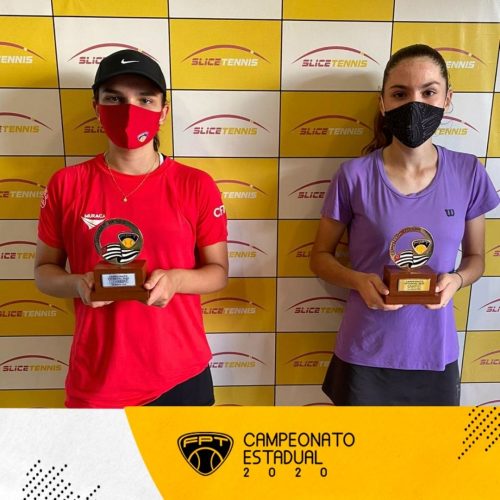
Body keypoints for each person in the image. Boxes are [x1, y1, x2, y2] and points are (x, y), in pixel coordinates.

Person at [35, 50, 228, 408]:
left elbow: (218, 272)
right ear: (96, 107)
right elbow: (44, 272)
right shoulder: (66, 184)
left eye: (145, 99)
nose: (129, 110)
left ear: (163, 112)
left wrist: (176, 280)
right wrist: (78, 284)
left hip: (181, 376)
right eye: (114, 99)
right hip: (98, 379)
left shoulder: (196, 184)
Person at [310, 44, 499, 406]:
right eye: (400, 94)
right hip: (364, 353)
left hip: (435, 354)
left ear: (447, 99)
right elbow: (320, 258)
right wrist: (358, 280)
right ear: (383, 103)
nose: (415, 104)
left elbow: (476, 259)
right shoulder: (354, 176)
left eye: (428, 92)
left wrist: (457, 280)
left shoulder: (469, 172)